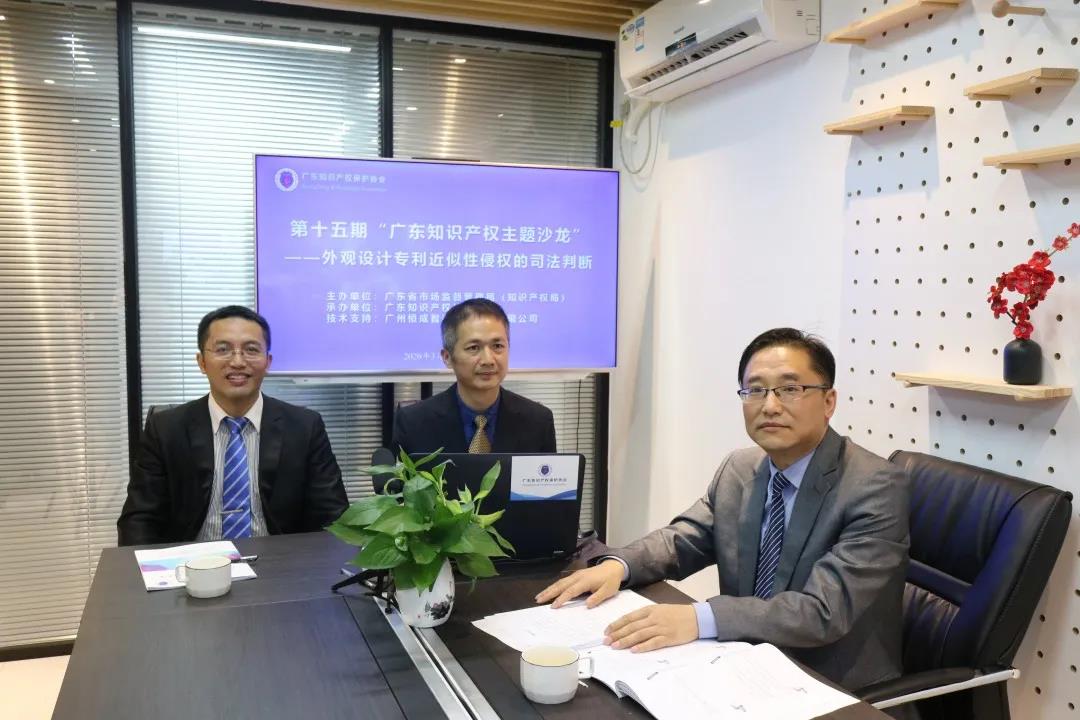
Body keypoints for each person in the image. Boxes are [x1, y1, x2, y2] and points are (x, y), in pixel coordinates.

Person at [536, 328, 910, 693]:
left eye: (790, 389)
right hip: (739, 664)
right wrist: (619, 566)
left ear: (829, 402)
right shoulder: (741, 468)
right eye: (755, 390)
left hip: (829, 684)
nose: (770, 405)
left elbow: (823, 611)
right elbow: (684, 539)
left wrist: (699, 618)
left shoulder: (874, 486)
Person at [117, 305, 348, 546]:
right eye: (223, 349)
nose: (237, 362)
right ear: (202, 362)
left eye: (251, 350)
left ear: (267, 362)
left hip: (279, 562)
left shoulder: (305, 428)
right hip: (192, 562)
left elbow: (333, 517)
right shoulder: (166, 429)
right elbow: (139, 520)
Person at [392, 298, 556, 455]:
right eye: (473, 348)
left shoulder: (538, 421)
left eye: (497, 346)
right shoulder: (413, 422)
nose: (488, 360)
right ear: (447, 357)